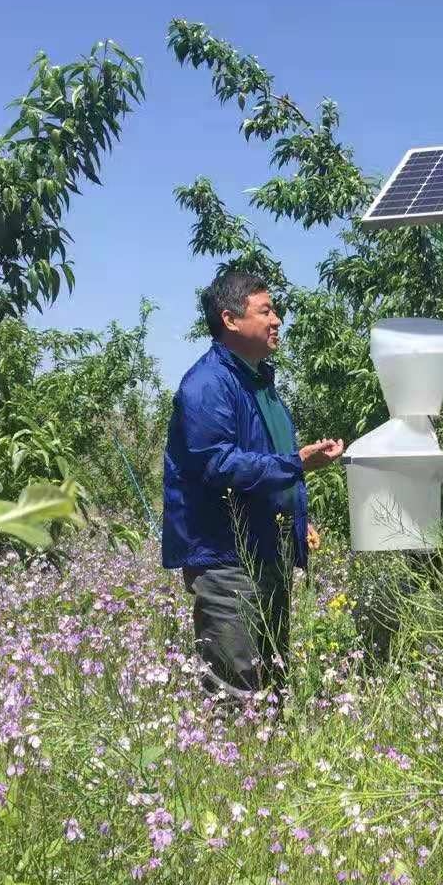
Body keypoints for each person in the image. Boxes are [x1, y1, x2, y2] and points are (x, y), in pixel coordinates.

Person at [162, 268, 344, 702]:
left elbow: (270, 456)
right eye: (266, 310)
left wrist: (298, 517)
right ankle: (232, 766)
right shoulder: (207, 385)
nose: (277, 319)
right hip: (228, 560)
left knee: (272, 681)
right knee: (236, 691)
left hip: (266, 550)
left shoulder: (260, 382)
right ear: (230, 319)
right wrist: (297, 464)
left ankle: (271, 766)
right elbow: (218, 465)